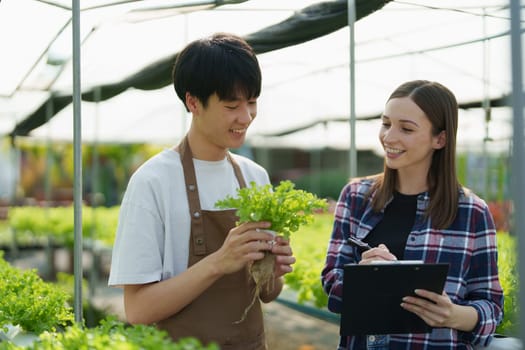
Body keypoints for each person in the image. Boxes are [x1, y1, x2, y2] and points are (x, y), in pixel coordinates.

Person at [108, 32, 295, 349]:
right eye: (232, 105)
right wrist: (219, 262)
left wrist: (273, 271)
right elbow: (138, 309)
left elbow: (267, 294)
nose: (246, 117)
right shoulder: (152, 182)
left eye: (252, 102)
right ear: (193, 102)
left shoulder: (255, 177)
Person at [321, 80, 503, 349]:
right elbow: (331, 282)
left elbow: (490, 305)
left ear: (439, 139)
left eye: (406, 128)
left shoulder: (472, 212)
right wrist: (362, 275)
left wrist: (454, 315)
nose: (389, 137)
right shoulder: (356, 197)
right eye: (386, 124)